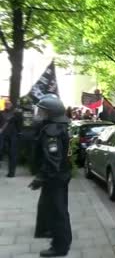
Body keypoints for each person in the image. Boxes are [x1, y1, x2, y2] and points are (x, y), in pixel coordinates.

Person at [28, 94, 72, 257]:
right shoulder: (60, 126)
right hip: (61, 175)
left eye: (43, 111)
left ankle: (60, 246)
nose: (40, 113)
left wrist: (41, 177)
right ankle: (56, 239)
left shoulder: (52, 130)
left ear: (51, 113)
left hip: (55, 177)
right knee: (55, 210)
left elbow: (53, 159)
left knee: (57, 212)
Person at [0, 100, 22, 177]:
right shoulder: (1, 113)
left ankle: (11, 172)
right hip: (2, 135)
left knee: (12, 154)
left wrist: (19, 134)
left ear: (11, 105)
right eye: (6, 104)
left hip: (13, 136)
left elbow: (19, 125)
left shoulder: (16, 114)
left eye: (9, 103)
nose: (7, 105)